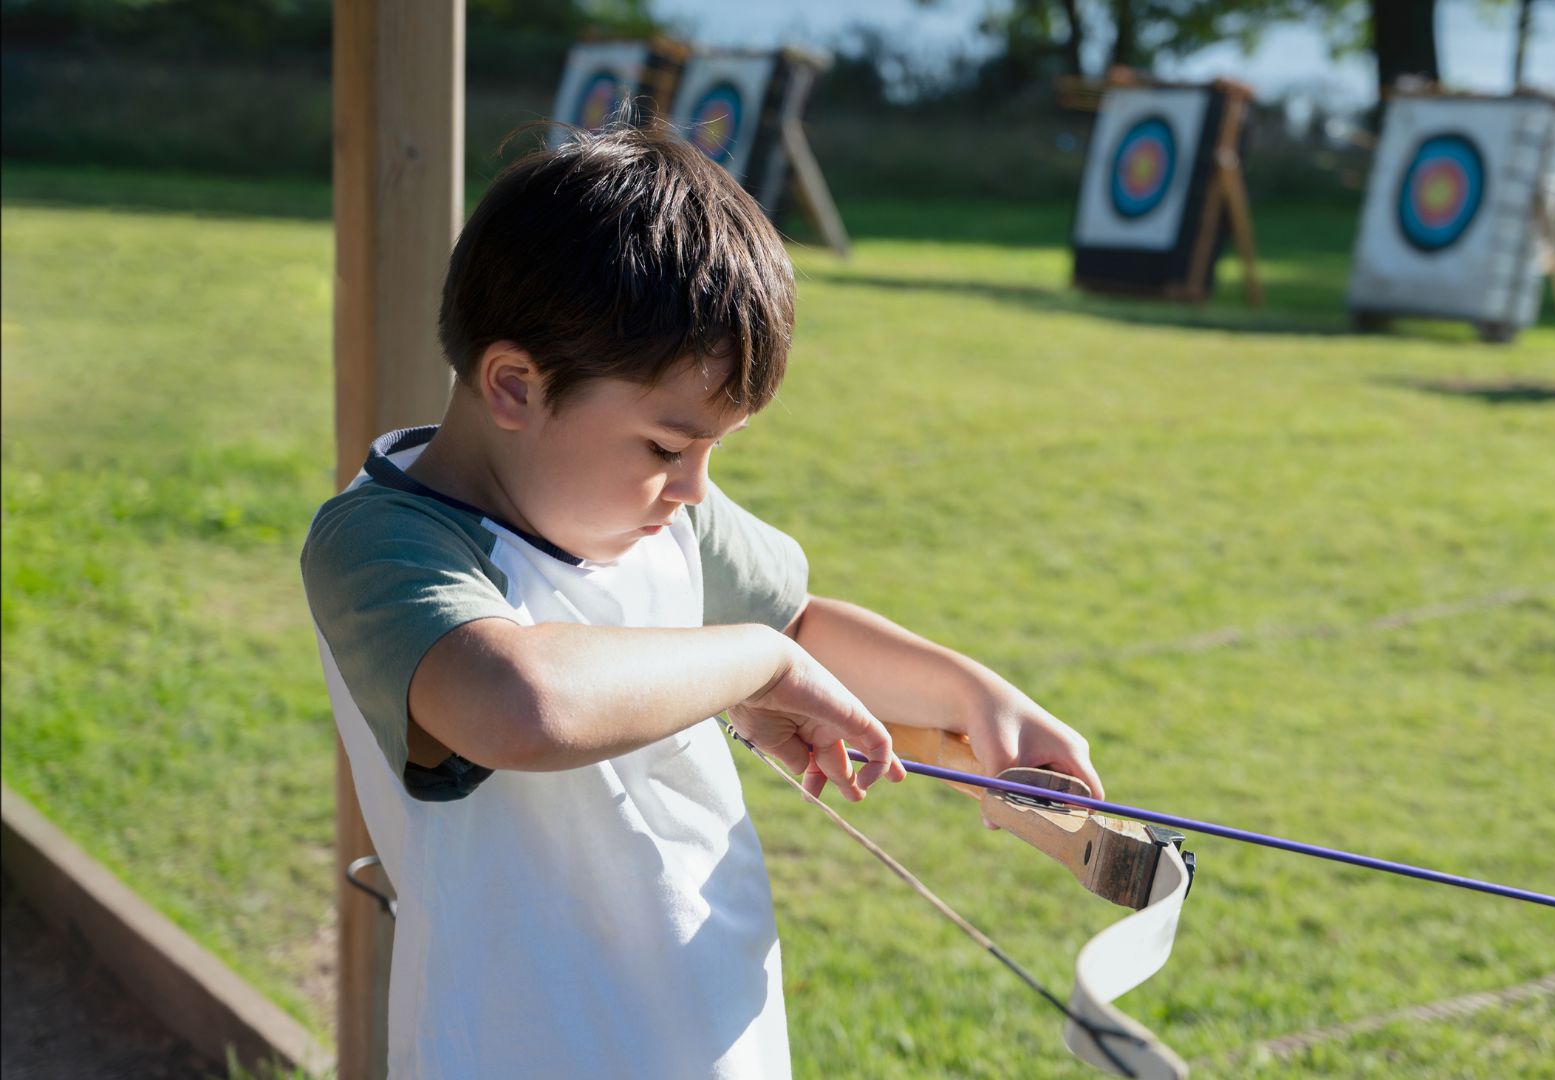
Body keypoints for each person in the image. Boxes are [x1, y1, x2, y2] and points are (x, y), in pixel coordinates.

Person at [300, 121, 1105, 1078]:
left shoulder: (664, 515)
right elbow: (522, 705)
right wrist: (756, 665)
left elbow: (795, 623)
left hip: (716, 1031)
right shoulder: (384, 542)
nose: (693, 488)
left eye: (711, 454)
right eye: (666, 447)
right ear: (514, 385)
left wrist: (976, 697)